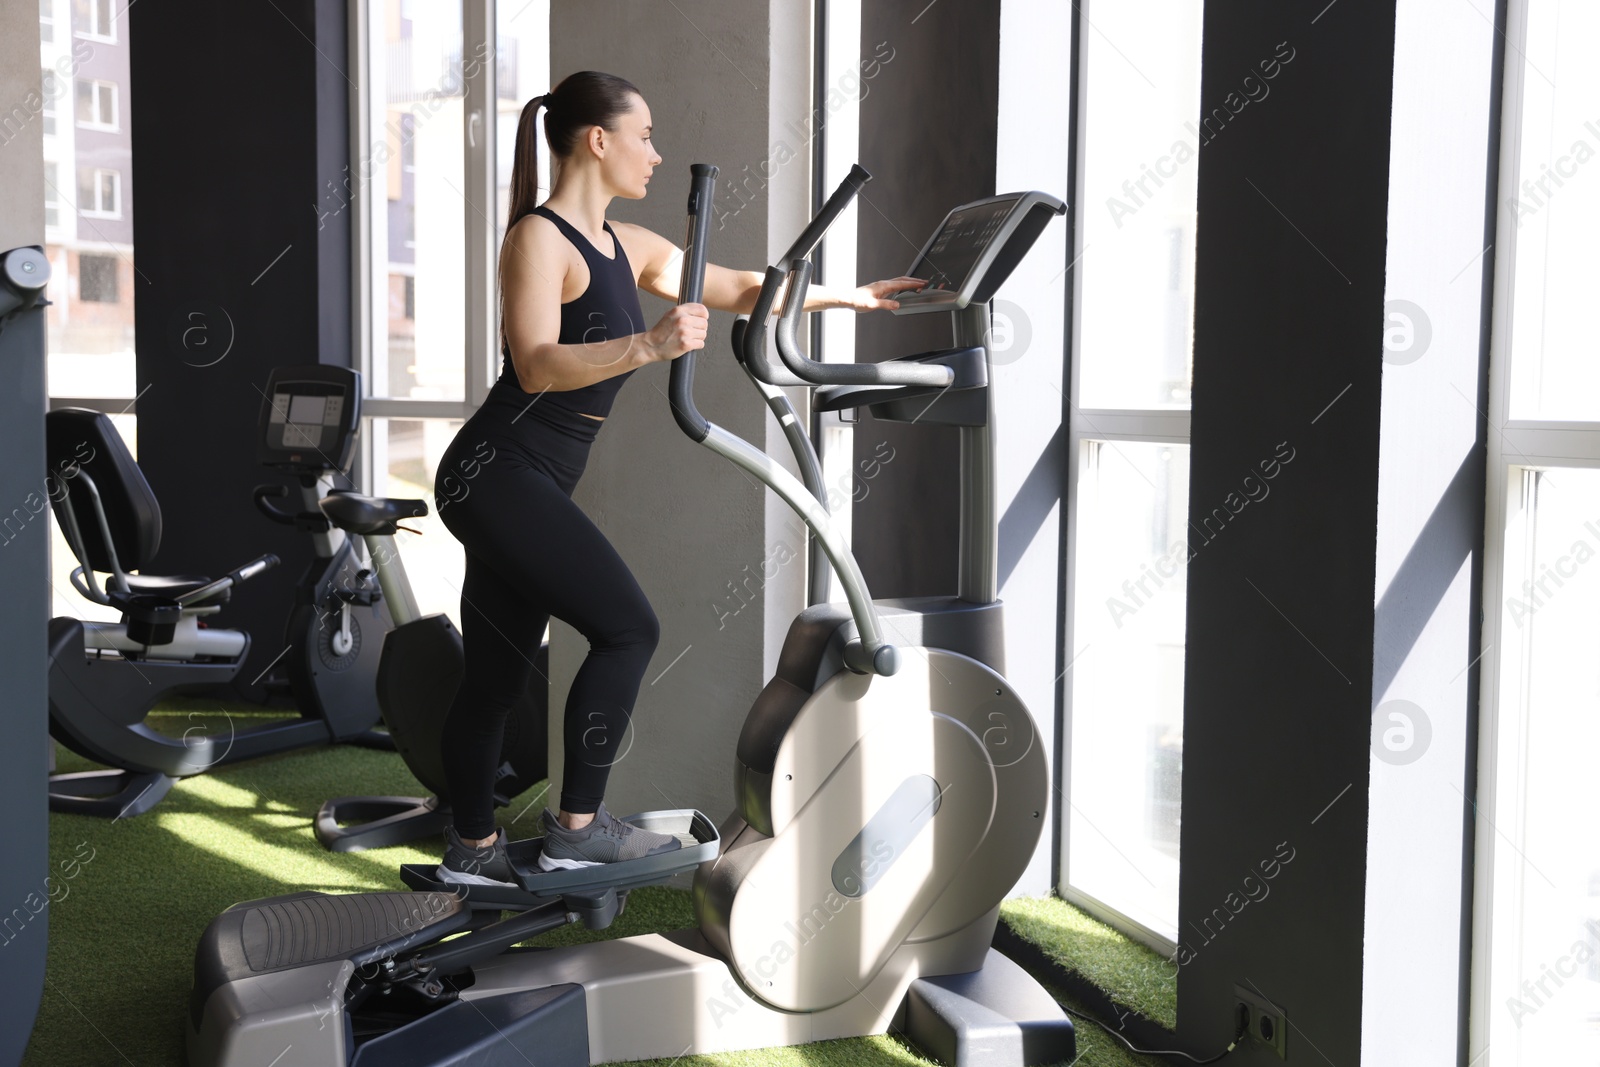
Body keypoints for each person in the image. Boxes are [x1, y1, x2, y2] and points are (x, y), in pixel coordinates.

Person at [433, 70, 924, 886]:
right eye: (645, 135)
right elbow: (535, 360)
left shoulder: (627, 246)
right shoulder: (538, 238)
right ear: (599, 139)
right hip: (494, 470)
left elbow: (735, 287)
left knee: (494, 676)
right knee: (630, 628)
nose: (656, 155)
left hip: (530, 482)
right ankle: (577, 829)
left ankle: (471, 852)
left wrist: (852, 298)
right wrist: (647, 347)